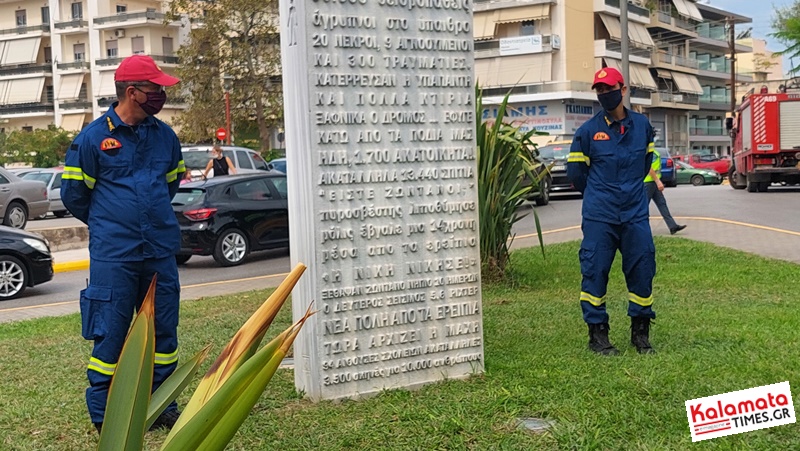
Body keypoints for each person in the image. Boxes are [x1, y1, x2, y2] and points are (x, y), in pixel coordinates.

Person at [61, 54, 185, 433]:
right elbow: (74, 196)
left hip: (159, 251)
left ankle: (161, 406)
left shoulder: (165, 136)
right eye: (155, 89)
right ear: (132, 92)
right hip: (114, 258)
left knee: (164, 335)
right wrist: (112, 224)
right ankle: (106, 417)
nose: (161, 94)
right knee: (110, 337)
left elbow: (172, 183)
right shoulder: (92, 140)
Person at [566, 67, 657, 355]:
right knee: (594, 273)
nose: (605, 94)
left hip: (635, 214)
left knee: (642, 270)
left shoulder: (643, 126)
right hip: (599, 216)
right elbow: (577, 174)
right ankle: (598, 336)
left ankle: (640, 333)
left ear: (623, 89)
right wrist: (599, 195)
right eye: (600, 90)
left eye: (609, 88)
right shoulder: (587, 132)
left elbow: (645, 164)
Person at [645, 150, 687, 235]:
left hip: (653, 182)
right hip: (649, 182)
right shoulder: (648, 151)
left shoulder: (654, 151)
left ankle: (672, 226)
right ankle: (643, 229)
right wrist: (657, 181)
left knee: (662, 204)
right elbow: (648, 167)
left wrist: (657, 181)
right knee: (644, 207)